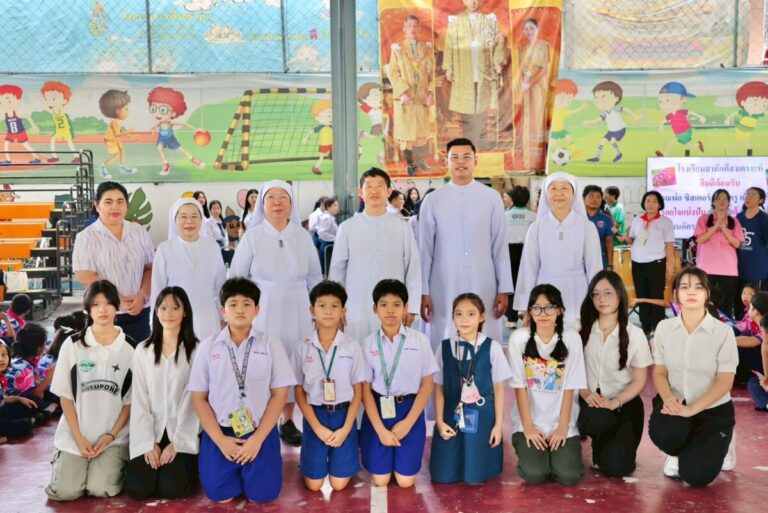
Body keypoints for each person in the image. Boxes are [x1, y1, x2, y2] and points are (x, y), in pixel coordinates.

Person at [231, 180, 322, 445]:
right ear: (262, 203)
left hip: (298, 306)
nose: (277, 203)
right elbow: (237, 276)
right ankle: (261, 419)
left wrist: (317, 312)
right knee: (262, 361)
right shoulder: (253, 236)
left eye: (284, 197)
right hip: (263, 307)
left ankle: (288, 420)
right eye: (271, 198)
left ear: (292, 204)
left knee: (294, 361)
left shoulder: (302, 236)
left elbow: (315, 277)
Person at [188, 277, 295, 503]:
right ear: (222, 310)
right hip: (221, 433)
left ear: (257, 309)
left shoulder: (271, 345)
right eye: (233, 304)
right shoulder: (208, 347)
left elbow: (279, 395)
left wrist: (257, 440)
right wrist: (220, 440)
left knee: (262, 496)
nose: (240, 310)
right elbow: (198, 398)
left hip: (259, 432)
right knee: (220, 496)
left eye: (247, 304)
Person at [649, 267, 737, 487]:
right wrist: (668, 399)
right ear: (676, 294)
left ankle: (723, 443)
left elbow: (725, 382)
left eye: (698, 287)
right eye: (685, 287)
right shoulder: (664, 328)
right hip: (677, 404)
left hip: (713, 409)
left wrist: (692, 409)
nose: (691, 292)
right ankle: (678, 451)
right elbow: (660, 372)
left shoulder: (723, 332)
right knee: (666, 434)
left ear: (707, 294)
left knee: (697, 476)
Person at [419, 138, 512, 348]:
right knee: (444, 332)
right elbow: (425, 251)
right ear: (446, 162)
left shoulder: (491, 198)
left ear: (475, 161)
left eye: (466, 157)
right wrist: (423, 291)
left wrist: (503, 288)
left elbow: (499, 246)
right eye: (455, 157)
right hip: (443, 282)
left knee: (484, 331)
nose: (461, 162)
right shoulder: (433, 200)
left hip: (484, 280)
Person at [45, 280, 134, 501]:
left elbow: (130, 402)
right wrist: (78, 437)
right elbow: (65, 396)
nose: (102, 309)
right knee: (66, 492)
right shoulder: (72, 345)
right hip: (76, 434)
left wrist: (111, 435)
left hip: (113, 438)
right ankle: (66, 461)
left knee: (100, 488)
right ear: (88, 309)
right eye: (95, 304)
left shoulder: (131, 348)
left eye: (108, 303)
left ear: (117, 306)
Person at [360, 279, 438, 488]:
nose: (390, 310)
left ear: (405, 308)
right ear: (375, 309)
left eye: (396, 304)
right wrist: (381, 430)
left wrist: (408, 423)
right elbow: (365, 391)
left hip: (409, 409)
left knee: (405, 482)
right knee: (381, 480)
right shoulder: (367, 344)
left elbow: (427, 385)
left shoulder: (419, 341)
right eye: (384, 304)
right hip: (378, 410)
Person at [125, 287, 200, 500]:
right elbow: (139, 398)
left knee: (172, 489)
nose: (168, 313)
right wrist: (148, 443)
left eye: (175, 308)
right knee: (138, 489)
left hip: (182, 430)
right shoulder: (143, 350)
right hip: (151, 430)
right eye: (163, 308)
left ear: (185, 312)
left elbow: (194, 400)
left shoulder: (196, 350)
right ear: (156, 311)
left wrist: (178, 443)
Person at [329, 168, 421, 343]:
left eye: (379, 186)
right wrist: (336, 307)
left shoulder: (402, 227)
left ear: (388, 192)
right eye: (369, 186)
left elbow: (413, 268)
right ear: (360, 192)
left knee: (391, 351)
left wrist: (412, 307)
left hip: (393, 306)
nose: (374, 191)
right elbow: (337, 271)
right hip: (355, 305)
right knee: (356, 351)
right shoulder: (347, 228)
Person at [508, 284, 586, 486]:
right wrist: (528, 427)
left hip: (561, 421)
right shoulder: (519, 339)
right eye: (537, 308)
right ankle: (538, 457)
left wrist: (562, 428)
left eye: (549, 308)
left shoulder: (571, 339)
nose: (543, 314)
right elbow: (519, 387)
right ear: (530, 311)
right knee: (535, 474)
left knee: (569, 476)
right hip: (530, 422)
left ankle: (557, 456)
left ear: (560, 310)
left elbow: (570, 387)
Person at [430, 293, 512, 484]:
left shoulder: (492, 347)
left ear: (482, 316)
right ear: (453, 317)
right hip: (452, 416)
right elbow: (438, 388)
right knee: (443, 476)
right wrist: (440, 422)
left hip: (482, 416)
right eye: (458, 314)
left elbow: (499, 389)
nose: (464, 319)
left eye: (471, 314)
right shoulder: (444, 347)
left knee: (475, 477)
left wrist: (498, 426)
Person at [293, 281, 366, 492]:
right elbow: (298, 390)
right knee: (314, 485)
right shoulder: (302, 347)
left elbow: (358, 390)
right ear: (312, 310)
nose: (328, 311)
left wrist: (346, 428)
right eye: (322, 305)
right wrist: (316, 427)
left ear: (343, 311)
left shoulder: (352, 346)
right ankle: (312, 462)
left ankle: (339, 459)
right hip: (315, 414)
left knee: (339, 484)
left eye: (335, 306)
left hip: (344, 415)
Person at [578, 271, 652, 477]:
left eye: (608, 293)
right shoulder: (579, 329)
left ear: (620, 294)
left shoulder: (634, 334)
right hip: (589, 401)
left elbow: (639, 380)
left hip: (623, 404)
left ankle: (608, 446)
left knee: (618, 468)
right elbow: (570, 370)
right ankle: (591, 441)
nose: (601, 299)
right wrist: (585, 394)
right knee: (597, 418)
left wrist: (614, 403)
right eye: (596, 294)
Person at [514, 172, 602, 327]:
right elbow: (528, 269)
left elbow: (594, 268)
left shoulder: (587, 227)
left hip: (578, 293)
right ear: (546, 194)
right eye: (553, 188)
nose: (559, 193)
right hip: (544, 295)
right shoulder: (536, 228)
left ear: (574, 194)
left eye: (564, 188)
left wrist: (598, 301)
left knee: (578, 336)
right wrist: (525, 306)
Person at [73, 181, 154, 344]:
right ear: (97, 206)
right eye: (108, 202)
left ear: (126, 205)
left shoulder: (139, 232)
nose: (115, 207)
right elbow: (85, 275)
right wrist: (115, 299)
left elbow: (150, 268)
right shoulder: (86, 237)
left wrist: (143, 296)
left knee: (139, 357)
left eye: (120, 201)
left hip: (140, 313)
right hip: (104, 316)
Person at [152, 198, 226, 342]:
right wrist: (155, 325)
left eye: (194, 216)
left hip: (209, 320)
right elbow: (158, 290)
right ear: (175, 220)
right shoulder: (165, 249)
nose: (189, 221)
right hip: (176, 320)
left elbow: (220, 288)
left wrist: (223, 318)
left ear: (201, 219)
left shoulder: (213, 247)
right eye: (183, 216)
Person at [442, 0, 504, 146]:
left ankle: (482, 141)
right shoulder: (456, 21)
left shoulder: (489, 20)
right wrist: (449, 67)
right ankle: (468, 142)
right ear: (464, 1)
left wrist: (497, 61)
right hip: (463, 69)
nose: (473, 2)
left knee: (483, 106)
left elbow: (499, 41)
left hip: (484, 69)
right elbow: (449, 44)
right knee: (466, 108)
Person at [617, 190, 676, 337]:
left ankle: (657, 327)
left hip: (656, 263)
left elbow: (669, 245)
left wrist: (670, 264)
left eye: (655, 201)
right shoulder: (638, 220)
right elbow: (632, 240)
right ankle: (645, 327)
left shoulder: (665, 222)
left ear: (660, 204)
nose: (651, 204)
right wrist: (624, 238)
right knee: (641, 295)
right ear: (644, 203)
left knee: (656, 296)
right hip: (637, 263)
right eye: (648, 201)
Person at [388, 15, 435, 176]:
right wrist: (403, 91)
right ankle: (410, 163)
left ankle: (420, 160)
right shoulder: (398, 49)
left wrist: (430, 93)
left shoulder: (427, 48)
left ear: (419, 28)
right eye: (409, 26)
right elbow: (393, 72)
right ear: (404, 29)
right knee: (407, 134)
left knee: (421, 133)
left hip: (421, 98)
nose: (413, 29)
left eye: (415, 26)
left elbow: (432, 73)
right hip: (405, 99)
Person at [694, 189, 745, 317]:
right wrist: (716, 226)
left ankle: (724, 327)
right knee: (705, 302)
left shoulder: (734, 221)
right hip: (706, 268)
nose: (722, 201)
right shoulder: (704, 219)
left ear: (728, 202)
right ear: (713, 202)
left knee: (726, 304)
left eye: (725, 199)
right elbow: (700, 239)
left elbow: (737, 243)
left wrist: (724, 229)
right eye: (718, 198)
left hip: (728, 269)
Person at [147, 87, 205, 176]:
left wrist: (196, 129)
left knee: (181, 150)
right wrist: (152, 129)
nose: (157, 114)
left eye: (163, 110)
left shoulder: (171, 123)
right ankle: (166, 164)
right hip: (162, 139)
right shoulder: (159, 123)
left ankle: (192, 159)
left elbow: (184, 124)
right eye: (153, 109)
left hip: (171, 139)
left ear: (173, 113)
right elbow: (153, 127)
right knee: (159, 148)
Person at [517, 18, 551, 169]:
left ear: (537, 29)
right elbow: (520, 69)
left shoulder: (544, 46)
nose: (529, 31)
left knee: (537, 117)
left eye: (531, 28)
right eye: (526, 29)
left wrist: (530, 83)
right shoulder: (521, 48)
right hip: (525, 87)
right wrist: (523, 83)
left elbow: (544, 70)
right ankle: (527, 158)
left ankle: (539, 160)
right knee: (527, 119)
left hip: (538, 86)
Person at [504, 185, 536, 328]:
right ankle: (525, 313)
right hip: (527, 251)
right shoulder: (533, 217)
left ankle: (511, 318)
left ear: (512, 198)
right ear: (527, 199)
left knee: (510, 284)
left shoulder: (504, 216)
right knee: (527, 283)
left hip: (508, 252)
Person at [0, 341, 35, 442]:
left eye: (4, 355)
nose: (1, 359)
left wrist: (18, 399)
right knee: (25, 425)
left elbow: (2, 399)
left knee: (27, 406)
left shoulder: (2, 377)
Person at [736, 187, 768, 296]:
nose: (748, 197)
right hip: (740, 267)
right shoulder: (739, 217)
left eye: (753, 195)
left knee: (756, 300)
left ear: (761, 200)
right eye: (747, 194)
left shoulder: (764, 219)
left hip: (758, 269)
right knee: (740, 300)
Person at [97, 89, 135, 178]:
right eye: (126, 109)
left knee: (122, 152)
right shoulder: (114, 122)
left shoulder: (117, 122)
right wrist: (128, 131)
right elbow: (117, 134)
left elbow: (120, 130)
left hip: (115, 140)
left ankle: (121, 167)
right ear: (117, 110)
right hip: (111, 141)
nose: (128, 111)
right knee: (116, 155)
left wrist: (130, 136)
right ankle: (103, 167)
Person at [734, 292, 768, 383]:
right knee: (736, 334)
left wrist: (725, 340)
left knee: (739, 346)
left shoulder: (765, 328)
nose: (748, 310)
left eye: (750, 307)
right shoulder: (752, 323)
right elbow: (737, 326)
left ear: (755, 311)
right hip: (755, 363)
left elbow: (752, 341)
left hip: (763, 365)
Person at [582, 185, 614, 269]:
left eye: (598, 197)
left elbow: (609, 242)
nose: (595, 200)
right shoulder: (576, 217)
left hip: (600, 260)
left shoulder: (606, 219)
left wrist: (610, 265)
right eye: (591, 196)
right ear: (583, 198)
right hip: (579, 261)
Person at [747, 314, 768, 411]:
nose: (761, 334)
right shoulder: (765, 346)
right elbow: (767, 378)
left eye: (762, 331)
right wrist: (765, 383)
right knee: (753, 382)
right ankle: (766, 404)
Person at [205, 200, 234, 265]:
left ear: (220, 210)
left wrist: (226, 246)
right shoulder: (207, 222)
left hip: (223, 247)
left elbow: (225, 237)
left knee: (232, 252)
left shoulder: (221, 222)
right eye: (214, 208)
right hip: (214, 248)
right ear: (210, 210)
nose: (216, 210)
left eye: (218, 208)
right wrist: (223, 248)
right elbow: (210, 239)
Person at [317, 197, 339, 273]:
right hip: (327, 246)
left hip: (327, 246)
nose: (337, 208)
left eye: (337, 206)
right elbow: (322, 233)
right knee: (326, 272)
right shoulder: (327, 218)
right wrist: (336, 238)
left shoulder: (330, 217)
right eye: (334, 205)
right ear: (328, 207)